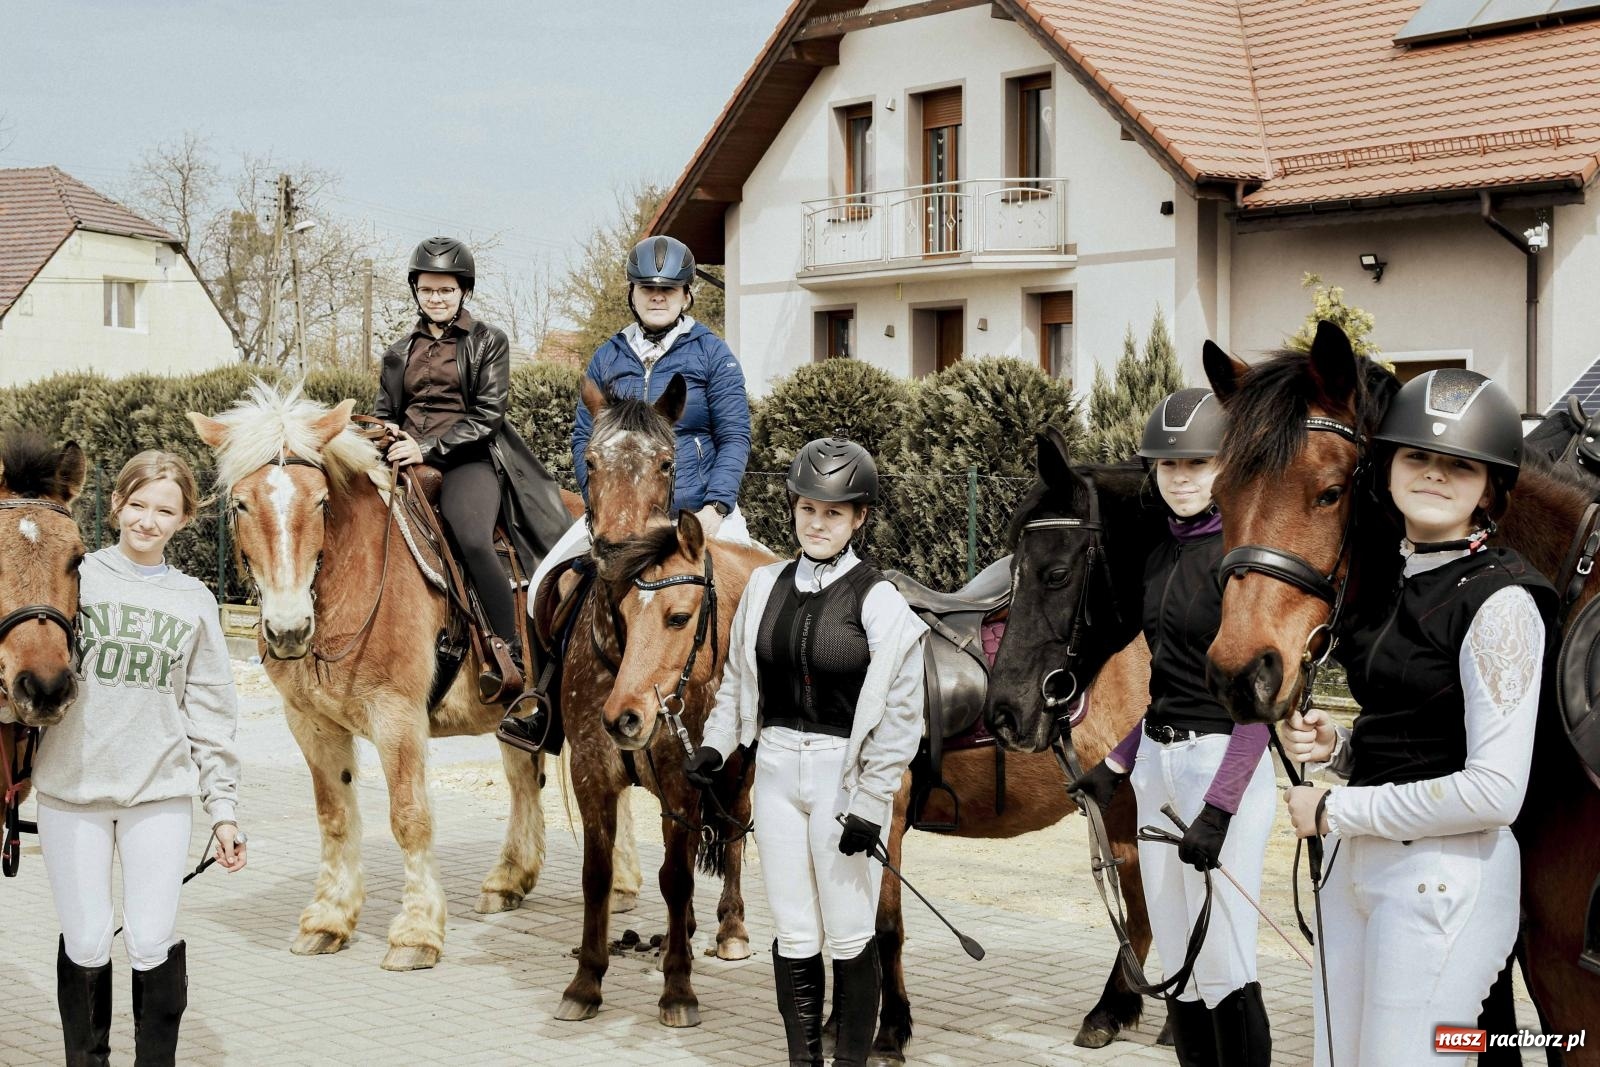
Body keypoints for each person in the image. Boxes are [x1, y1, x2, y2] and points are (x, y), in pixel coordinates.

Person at [1282, 369, 1553, 1067]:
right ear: (1388, 468)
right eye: (1418, 456)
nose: (1434, 473)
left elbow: (1495, 790)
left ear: (1489, 489)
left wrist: (1336, 809)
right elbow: (1420, 738)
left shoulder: (1502, 602)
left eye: (1459, 464)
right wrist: (1339, 747)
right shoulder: (1397, 583)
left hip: (1442, 880)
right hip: (1358, 868)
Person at [682, 437, 926, 1067]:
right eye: (808, 509)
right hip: (775, 770)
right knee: (793, 930)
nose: (817, 523)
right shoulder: (764, 585)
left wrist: (872, 800)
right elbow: (737, 681)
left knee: (848, 930)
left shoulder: (880, 600)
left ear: (859, 517)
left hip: (842, 776)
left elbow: (902, 717)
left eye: (834, 513)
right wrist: (715, 746)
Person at [1070, 388, 1274, 1066]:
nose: (1181, 477)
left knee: (1225, 963)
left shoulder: (1244, 558)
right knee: (1179, 967)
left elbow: (1259, 705)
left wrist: (1220, 807)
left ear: (1225, 467)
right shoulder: (1162, 555)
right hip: (1159, 762)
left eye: (1196, 462)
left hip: (1224, 762)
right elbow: (1168, 689)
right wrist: (1117, 765)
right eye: (1168, 464)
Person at [32, 451, 246, 1067]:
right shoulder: (75, 577)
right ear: (117, 504)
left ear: (185, 520)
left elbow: (210, 711)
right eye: (138, 505)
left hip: (159, 793)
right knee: (88, 940)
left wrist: (224, 811)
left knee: (151, 941)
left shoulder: (194, 599)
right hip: (71, 792)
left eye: (165, 511)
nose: (148, 521)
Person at [500, 234, 752, 751]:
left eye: (668, 289)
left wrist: (716, 507)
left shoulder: (713, 354)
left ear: (687, 295)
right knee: (545, 584)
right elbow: (583, 439)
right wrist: (601, 505)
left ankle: (752, 722)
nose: (657, 297)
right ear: (632, 294)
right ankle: (544, 706)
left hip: (694, 514)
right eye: (647, 288)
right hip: (618, 517)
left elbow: (734, 436)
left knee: (757, 601)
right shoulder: (608, 355)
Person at [375, 236, 570, 701]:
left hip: (466, 459)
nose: (436, 298)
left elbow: (487, 416)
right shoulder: (397, 352)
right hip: (404, 459)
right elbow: (384, 411)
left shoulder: (488, 341)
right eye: (427, 290)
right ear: (416, 291)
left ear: (463, 291)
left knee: (473, 538)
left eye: (446, 290)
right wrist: (385, 434)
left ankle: (510, 654)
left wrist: (425, 448)